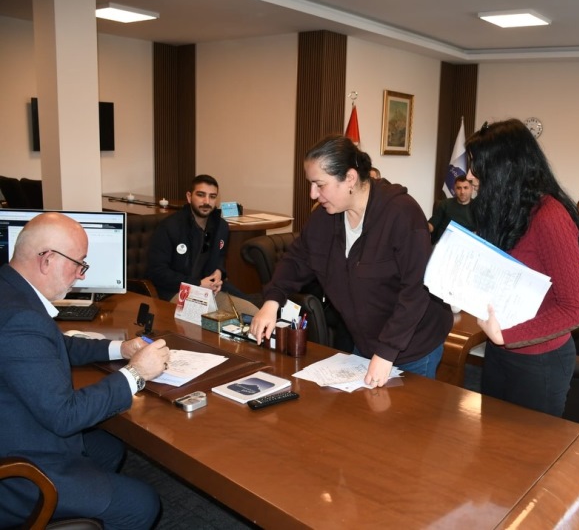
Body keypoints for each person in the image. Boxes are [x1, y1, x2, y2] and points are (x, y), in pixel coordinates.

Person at [0, 212, 170, 528]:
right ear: (47, 260)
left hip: (16, 425)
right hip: (19, 473)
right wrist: (135, 373)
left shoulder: (10, 289)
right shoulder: (20, 320)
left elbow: (55, 345)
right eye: (79, 264)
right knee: (141, 503)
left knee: (109, 447)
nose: (80, 275)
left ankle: (85, 507)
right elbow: (65, 416)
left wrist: (120, 349)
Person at [250, 135, 453, 387]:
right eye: (311, 184)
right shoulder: (324, 217)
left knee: (408, 413)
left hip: (412, 347)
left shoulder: (401, 214)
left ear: (350, 178)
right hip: (366, 342)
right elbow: (296, 260)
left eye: (319, 184)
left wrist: (386, 352)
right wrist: (271, 302)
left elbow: (416, 289)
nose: (313, 194)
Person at [464, 119, 579, 417]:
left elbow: (577, 307)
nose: (469, 175)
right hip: (501, 349)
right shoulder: (505, 209)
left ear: (504, 168)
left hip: (539, 360)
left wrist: (506, 337)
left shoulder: (549, 217)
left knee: (531, 444)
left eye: (477, 165)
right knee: (492, 435)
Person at [147, 174, 245, 302]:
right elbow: (157, 272)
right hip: (176, 290)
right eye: (201, 195)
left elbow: (220, 257)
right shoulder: (169, 226)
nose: (207, 202)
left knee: (251, 310)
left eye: (212, 196)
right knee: (209, 314)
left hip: (209, 289)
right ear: (189, 197)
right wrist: (197, 284)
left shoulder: (221, 226)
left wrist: (219, 272)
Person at [427, 174, 475, 243]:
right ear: (454, 189)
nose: (462, 192)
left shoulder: (478, 207)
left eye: (465, 188)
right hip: (443, 243)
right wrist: (421, 225)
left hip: (466, 244)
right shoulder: (445, 204)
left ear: (472, 189)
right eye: (459, 188)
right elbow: (432, 225)